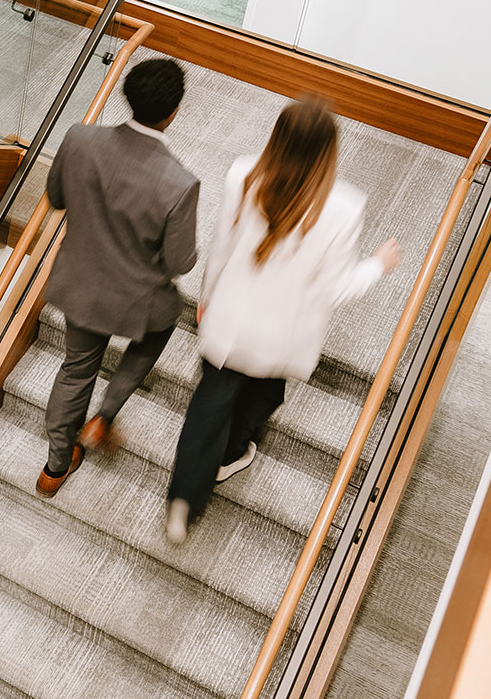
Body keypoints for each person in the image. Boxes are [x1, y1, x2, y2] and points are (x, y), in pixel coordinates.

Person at [164, 97, 399, 544]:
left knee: (209, 406)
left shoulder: (243, 174)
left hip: (231, 325)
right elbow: (334, 290)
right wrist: (376, 265)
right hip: (283, 335)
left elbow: (222, 245)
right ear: (329, 151)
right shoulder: (344, 208)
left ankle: (182, 499)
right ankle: (232, 454)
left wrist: (207, 295)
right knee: (263, 397)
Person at [36, 57, 200, 498]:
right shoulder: (180, 182)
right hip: (135, 301)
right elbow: (181, 262)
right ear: (174, 111)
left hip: (82, 285)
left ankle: (53, 469)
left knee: (75, 370)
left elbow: (54, 197)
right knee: (170, 315)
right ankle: (105, 414)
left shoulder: (79, 138)